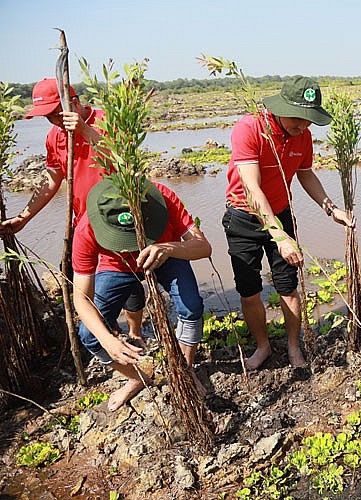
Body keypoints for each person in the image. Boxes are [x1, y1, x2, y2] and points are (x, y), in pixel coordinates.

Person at [0, 78, 147, 347]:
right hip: (84, 226)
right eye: (47, 117)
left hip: (119, 220)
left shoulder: (108, 120)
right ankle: (105, 337)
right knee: (87, 286)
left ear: (74, 102)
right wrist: (25, 216)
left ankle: (135, 333)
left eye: (55, 113)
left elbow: (124, 161)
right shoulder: (55, 136)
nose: (53, 121)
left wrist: (85, 131)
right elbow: (52, 178)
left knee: (129, 281)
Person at [223, 75, 351, 370]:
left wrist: (331, 209)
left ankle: (294, 347)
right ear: (281, 107)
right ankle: (264, 346)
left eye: (309, 120)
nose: (304, 126)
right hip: (244, 215)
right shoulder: (250, 128)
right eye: (298, 118)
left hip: (281, 213)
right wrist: (278, 237)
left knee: (288, 286)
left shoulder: (302, 136)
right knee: (250, 290)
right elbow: (252, 189)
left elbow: (305, 174)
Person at [72, 178, 211, 411]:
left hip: (165, 254)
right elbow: (81, 299)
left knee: (192, 306)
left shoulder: (163, 199)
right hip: (116, 267)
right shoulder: (87, 227)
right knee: (89, 336)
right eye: (119, 240)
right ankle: (136, 377)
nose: (130, 247)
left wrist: (167, 248)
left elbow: (203, 246)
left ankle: (185, 371)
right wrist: (109, 340)